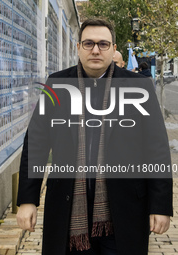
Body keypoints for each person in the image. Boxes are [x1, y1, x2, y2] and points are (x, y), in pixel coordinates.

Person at [16, 18, 172, 255]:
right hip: (69, 211)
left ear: (113, 48)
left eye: (103, 44)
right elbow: (36, 143)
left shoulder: (139, 87)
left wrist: (160, 206)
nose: (96, 50)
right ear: (78, 47)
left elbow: (157, 148)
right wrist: (28, 200)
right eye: (88, 43)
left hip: (124, 210)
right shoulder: (57, 85)